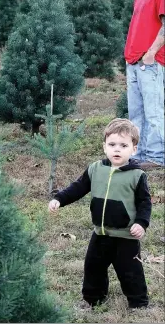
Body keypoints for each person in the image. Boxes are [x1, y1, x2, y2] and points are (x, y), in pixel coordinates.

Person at [48, 118, 152, 309]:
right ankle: (93, 299)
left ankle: (138, 303)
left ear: (134, 149)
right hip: (100, 233)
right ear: (104, 147)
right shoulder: (96, 169)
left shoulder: (137, 176)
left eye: (123, 145)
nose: (117, 149)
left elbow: (145, 203)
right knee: (93, 267)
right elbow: (78, 187)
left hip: (126, 236)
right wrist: (60, 199)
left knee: (130, 271)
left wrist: (141, 223)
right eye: (112, 144)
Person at [124, 0, 165, 169]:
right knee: (136, 113)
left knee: (153, 111)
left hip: (150, 63)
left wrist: (151, 53)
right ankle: (138, 155)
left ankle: (157, 158)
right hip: (132, 63)